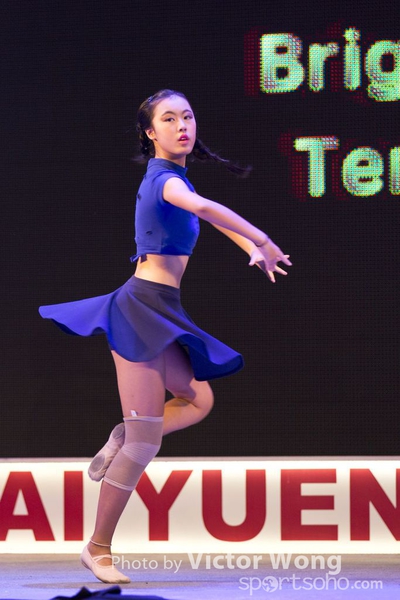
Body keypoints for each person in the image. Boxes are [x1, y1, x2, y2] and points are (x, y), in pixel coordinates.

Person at [39, 89, 291, 584]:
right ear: (150, 132)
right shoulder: (165, 180)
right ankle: (97, 548)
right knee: (144, 445)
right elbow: (204, 206)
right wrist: (261, 238)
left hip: (162, 308)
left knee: (198, 400)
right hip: (139, 310)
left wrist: (248, 247)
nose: (182, 126)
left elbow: (201, 216)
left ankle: (122, 434)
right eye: (170, 119)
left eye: (188, 117)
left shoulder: (176, 180)